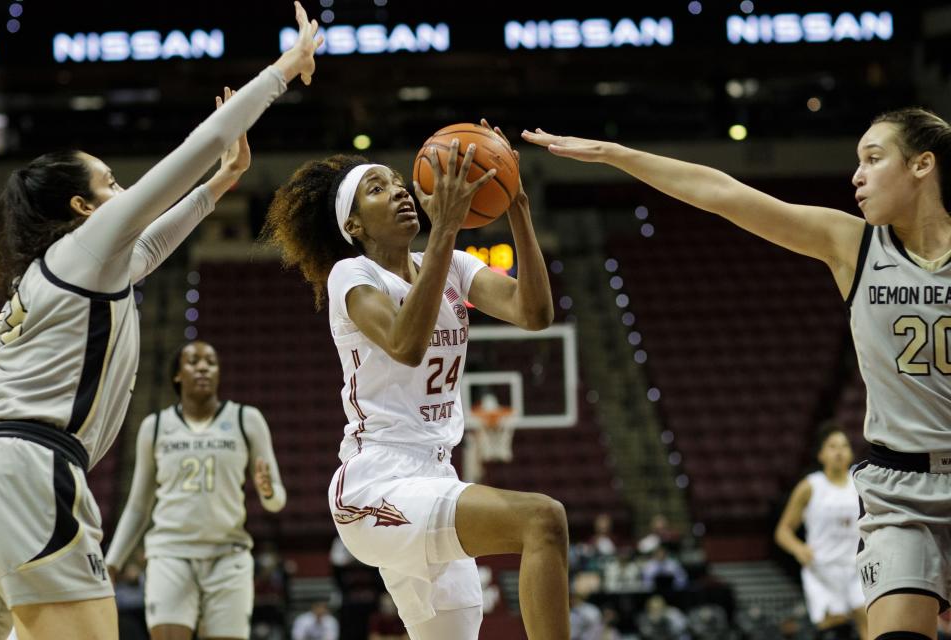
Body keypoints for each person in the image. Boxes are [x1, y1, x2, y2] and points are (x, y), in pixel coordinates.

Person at [523, 108, 951, 639]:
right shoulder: (853, 244)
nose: (856, 175)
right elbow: (721, 192)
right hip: (899, 489)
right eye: (856, 161)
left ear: (922, 165)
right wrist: (615, 154)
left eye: (873, 158)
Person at [0, 6, 321, 638]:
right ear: (82, 205)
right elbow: (189, 152)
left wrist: (224, 183)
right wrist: (283, 69)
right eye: (111, 184)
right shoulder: (84, 247)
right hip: (32, 472)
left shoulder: (47, 274)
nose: (123, 193)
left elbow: (149, 251)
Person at [261, 119, 567, 639]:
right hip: (375, 486)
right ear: (353, 226)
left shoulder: (452, 267)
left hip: (435, 476)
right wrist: (446, 227)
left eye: (399, 182)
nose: (399, 190)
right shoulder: (352, 276)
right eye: (376, 189)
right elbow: (405, 345)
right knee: (543, 519)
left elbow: (534, 312)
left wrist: (517, 208)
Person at [105, 341, 286, 640]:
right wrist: (112, 562)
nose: (203, 367)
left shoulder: (246, 419)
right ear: (177, 375)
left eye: (211, 362)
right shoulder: (156, 425)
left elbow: (277, 500)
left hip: (228, 554)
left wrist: (267, 491)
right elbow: (138, 506)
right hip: (171, 553)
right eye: (193, 361)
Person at [775, 425, 867, 640]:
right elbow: (783, 531)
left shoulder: (861, 483)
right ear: (821, 454)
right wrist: (798, 548)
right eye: (832, 446)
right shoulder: (810, 486)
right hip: (823, 569)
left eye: (844, 446)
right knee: (835, 631)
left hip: (856, 568)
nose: (839, 451)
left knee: (871, 626)